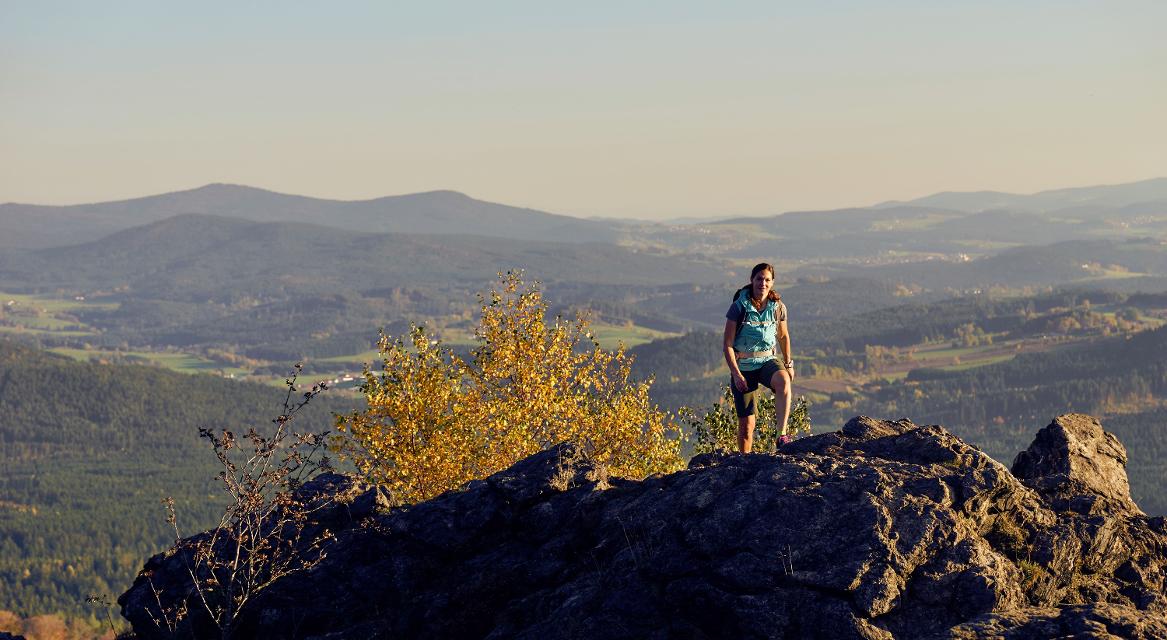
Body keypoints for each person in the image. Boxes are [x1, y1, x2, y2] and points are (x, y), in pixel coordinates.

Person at [723, 262, 794, 453]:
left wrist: (788, 363)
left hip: (767, 361)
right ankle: (744, 463)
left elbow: (783, 336)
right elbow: (727, 344)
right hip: (744, 367)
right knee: (747, 427)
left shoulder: (778, 307)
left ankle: (782, 435)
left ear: (772, 283)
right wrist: (736, 375)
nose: (763, 283)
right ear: (752, 280)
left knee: (784, 382)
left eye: (767, 280)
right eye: (759, 279)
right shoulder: (739, 307)